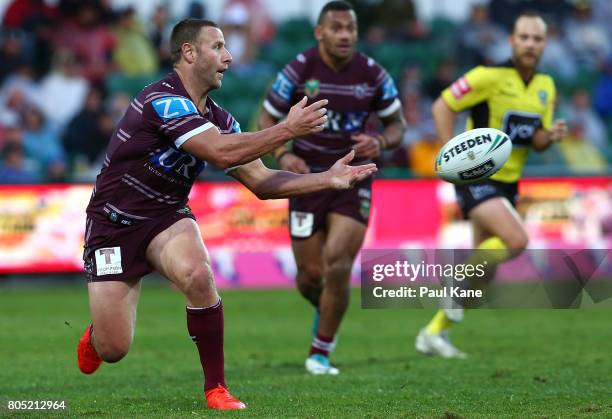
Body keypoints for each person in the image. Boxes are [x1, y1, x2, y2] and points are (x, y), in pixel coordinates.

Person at [76, 18, 377, 411]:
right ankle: (96, 337)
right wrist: (286, 130)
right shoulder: (162, 100)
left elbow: (263, 182)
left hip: (166, 215)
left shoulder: (220, 118)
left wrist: (328, 180)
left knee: (199, 276)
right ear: (189, 52)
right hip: (113, 223)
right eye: (218, 47)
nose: (229, 57)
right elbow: (219, 153)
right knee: (114, 348)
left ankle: (216, 388)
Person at [258, 0, 406, 375]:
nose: (345, 35)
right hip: (306, 180)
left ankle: (320, 352)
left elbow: (397, 126)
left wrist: (383, 143)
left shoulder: (373, 74)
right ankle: (327, 309)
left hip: (352, 178)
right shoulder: (298, 69)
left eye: (351, 28)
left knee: (337, 263)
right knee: (310, 277)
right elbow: (267, 115)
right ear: (320, 33)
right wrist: (281, 151)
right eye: (337, 28)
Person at [415, 11, 567, 358]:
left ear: (545, 44)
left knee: (481, 283)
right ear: (511, 41)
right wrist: (448, 156)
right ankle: (454, 279)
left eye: (537, 38)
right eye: (524, 37)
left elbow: (536, 139)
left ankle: (433, 334)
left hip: (510, 186)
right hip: (476, 177)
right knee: (516, 239)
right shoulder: (487, 76)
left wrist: (550, 136)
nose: (530, 44)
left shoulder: (546, 86)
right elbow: (442, 105)